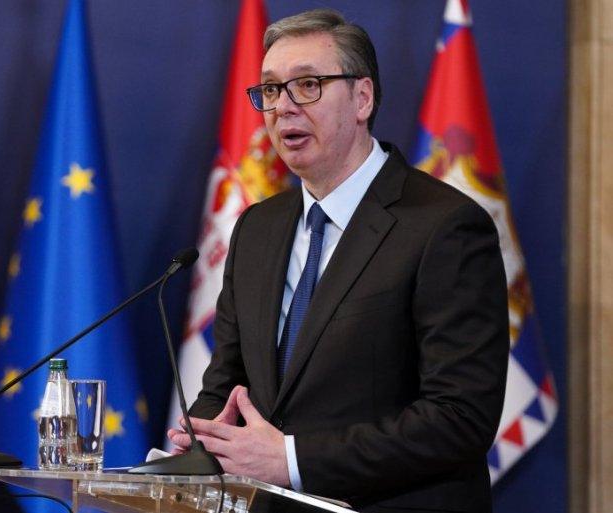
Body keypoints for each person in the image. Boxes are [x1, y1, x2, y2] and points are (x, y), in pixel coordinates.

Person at [167, 9, 508, 513]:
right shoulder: (257, 228)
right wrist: (202, 442)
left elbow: (459, 417)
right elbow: (227, 383)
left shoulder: (445, 225)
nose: (283, 107)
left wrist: (291, 459)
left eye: (307, 85)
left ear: (362, 97)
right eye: (270, 90)